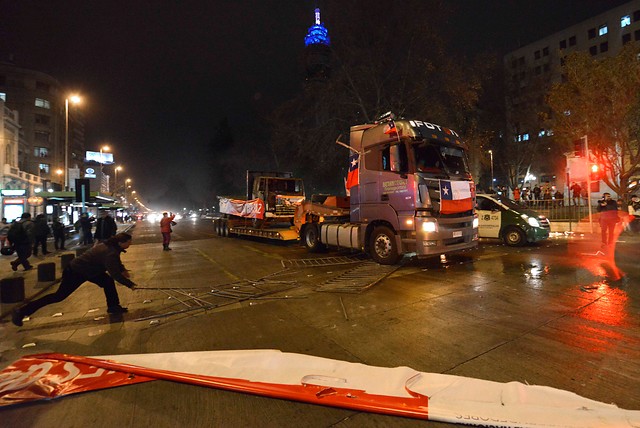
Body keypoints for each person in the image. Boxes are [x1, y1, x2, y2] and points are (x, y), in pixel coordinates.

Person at [11, 233, 138, 326]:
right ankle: (21, 311)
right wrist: (130, 284)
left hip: (91, 271)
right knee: (59, 296)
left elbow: (116, 262)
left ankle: (113, 306)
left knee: (107, 282)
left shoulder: (111, 246)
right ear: (121, 242)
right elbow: (114, 272)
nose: (130, 244)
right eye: (129, 242)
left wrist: (122, 269)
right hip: (76, 272)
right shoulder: (110, 252)